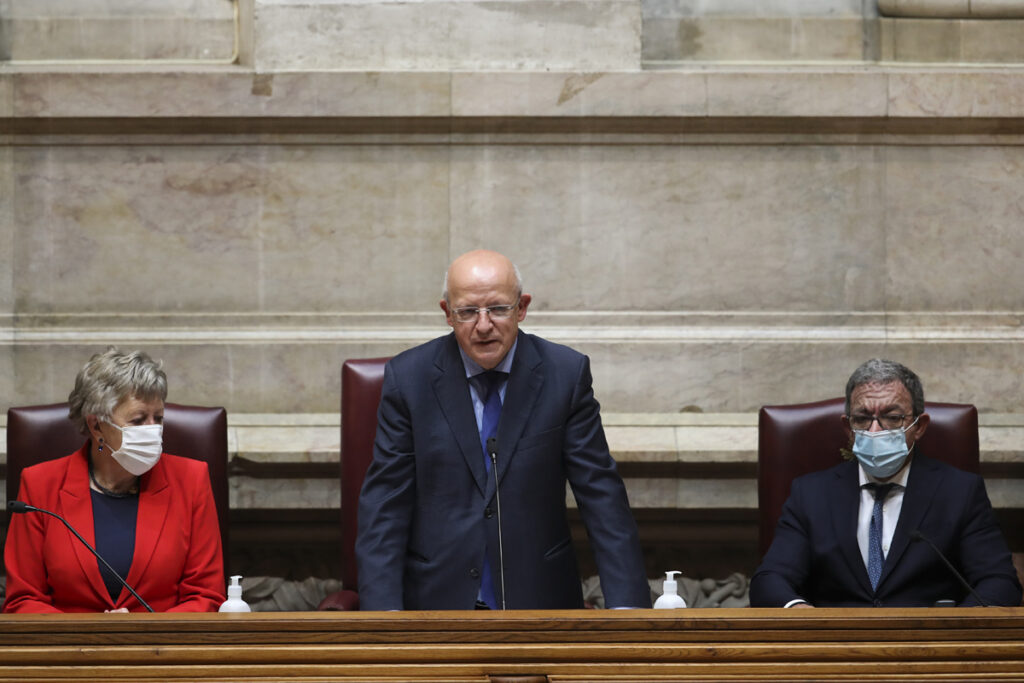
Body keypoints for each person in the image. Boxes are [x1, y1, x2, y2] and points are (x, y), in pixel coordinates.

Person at [356, 250, 650, 610]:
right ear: (447, 313)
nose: (483, 325)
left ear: (521, 307)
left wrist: (627, 612)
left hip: (540, 603)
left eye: (497, 309)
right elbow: (385, 507)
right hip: (436, 605)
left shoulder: (565, 374)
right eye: (467, 311)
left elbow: (603, 499)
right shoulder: (409, 380)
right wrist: (383, 622)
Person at [750, 359, 1021, 608]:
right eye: (863, 418)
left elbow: (999, 583)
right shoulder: (810, 494)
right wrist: (806, 618)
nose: (875, 430)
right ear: (848, 428)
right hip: (834, 648)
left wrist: (948, 633)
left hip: (928, 649)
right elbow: (770, 580)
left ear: (919, 426)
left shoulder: (960, 492)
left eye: (892, 418)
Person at [3, 348, 225, 613]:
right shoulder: (40, 485)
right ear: (97, 426)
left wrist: (143, 633)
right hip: (69, 651)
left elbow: (206, 596)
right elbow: (23, 600)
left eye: (159, 418)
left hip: (164, 649)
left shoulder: (191, 480)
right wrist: (93, 635)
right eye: (138, 420)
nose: (153, 430)